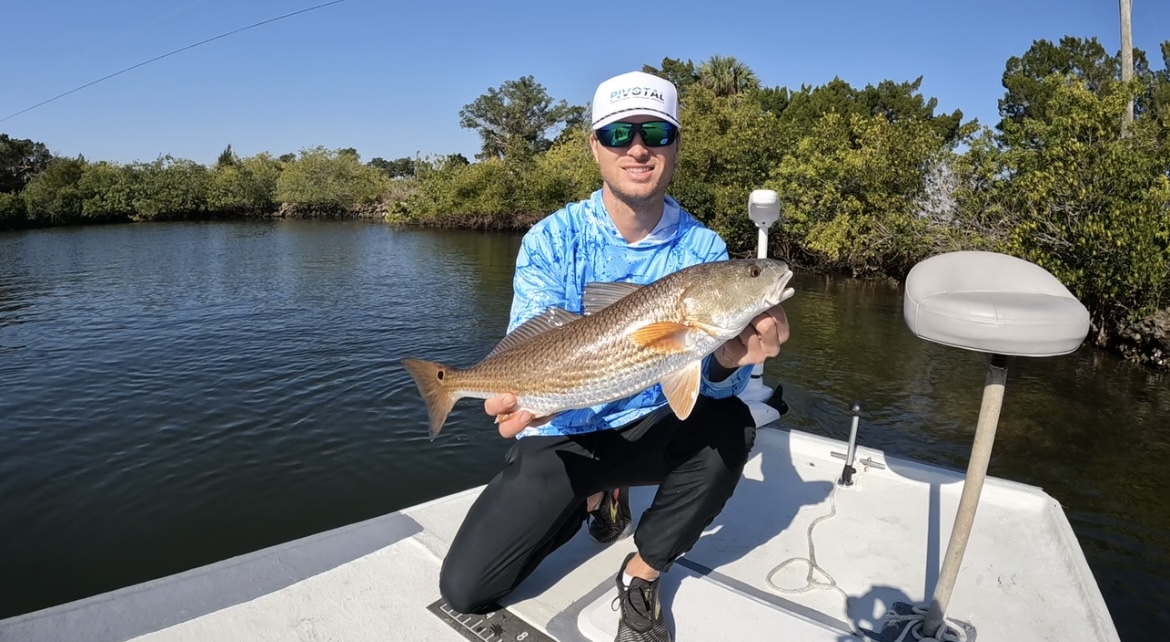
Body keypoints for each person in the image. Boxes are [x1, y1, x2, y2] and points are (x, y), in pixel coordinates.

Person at [438, 70, 791, 642]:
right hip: (566, 428)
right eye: (619, 133)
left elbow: (708, 386)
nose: (638, 148)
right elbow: (533, 342)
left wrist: (730, 361)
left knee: (730, 425)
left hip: (651, 425)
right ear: (594, 146)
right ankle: (596, 497)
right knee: (466, 589)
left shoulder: (703, 249)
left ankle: (642, 572)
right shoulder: (551, 239)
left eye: (656, 132)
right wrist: (526, 398)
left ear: (675, 146)